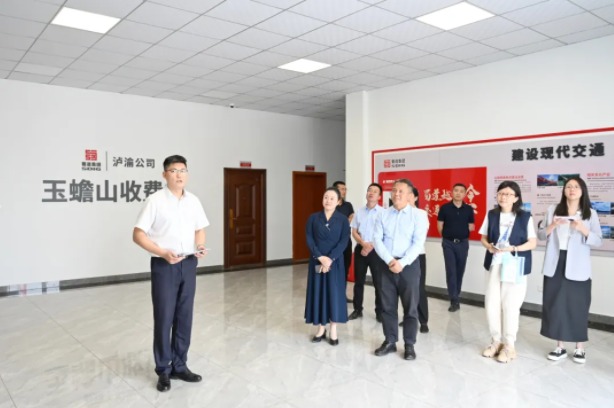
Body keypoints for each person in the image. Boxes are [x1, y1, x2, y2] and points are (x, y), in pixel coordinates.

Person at [133, 155, 209, 392]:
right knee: (164, 317)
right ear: (164, 175)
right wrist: (162, 253)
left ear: (187, 174)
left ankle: (180, 365)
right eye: (174, 170)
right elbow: (138, 234)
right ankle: (163, 370)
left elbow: (200, 229)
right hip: (164, 265)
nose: (179, 175)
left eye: (183, 170)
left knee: (184, 316)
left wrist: (199, 246)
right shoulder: (155, 200)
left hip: (189, 263)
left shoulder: (193, 201)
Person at [538, 177, 602, 364]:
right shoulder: (553, 210)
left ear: (582, 191)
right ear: (564, 190)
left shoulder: (590, 213)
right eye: (568, 186)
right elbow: (541, 235)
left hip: (579, 265)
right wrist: (553, 225)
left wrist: (582, 229)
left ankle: (580, 348)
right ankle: (560, 347)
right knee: (555, 305)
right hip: (555, 263)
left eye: (576, 187)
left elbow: (598, 240)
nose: (572, 189)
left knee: (578, 306)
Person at [479, 181, 536, 363]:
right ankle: (496, 341)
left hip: (514, 265)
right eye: (501, 193)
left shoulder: (525, 217)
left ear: (516, 198)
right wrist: (488, 246)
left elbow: (532, 243)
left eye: (508, 194)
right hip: (494, 264)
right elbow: (484, 237)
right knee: (492, 303)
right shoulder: (492, 214)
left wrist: (514, 248)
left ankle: (509, 345)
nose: (503, 197)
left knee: (511, 305)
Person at [372, 179, 428, 361]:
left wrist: (401, 263)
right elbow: (377, 240)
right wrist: (390, 260)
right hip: (386, 264)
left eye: (401, 191)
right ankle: (390, 341)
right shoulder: (383, 214)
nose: (396, 194)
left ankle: (409, 344)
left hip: (409, 265)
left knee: (410, 307)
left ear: (410, 195)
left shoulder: (418, 215)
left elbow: (418, 243)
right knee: (387, 306)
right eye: (394, 190)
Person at [305, 187, 350, 346]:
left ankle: (333, 329)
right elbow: (309, 239)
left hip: (335, 262)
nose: (328, 200)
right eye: (326, 197)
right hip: (317, 260)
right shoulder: (313, 218)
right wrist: (320, 257)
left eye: (332, 198)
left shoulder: (343, 219)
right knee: (318, 292)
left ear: (338, 202)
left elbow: (344, 241)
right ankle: (321, 328)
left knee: (334, 293)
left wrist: (330, 259)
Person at [349, 183, 385, 322]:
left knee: (378, 283)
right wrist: (363, 243)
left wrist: (370, 246)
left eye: (375, 191)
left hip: (376, 251)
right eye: (370, 190)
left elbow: (384, 234)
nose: (371, 193)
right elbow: (354, 231)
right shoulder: (359, 212)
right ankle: (357, 309)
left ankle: (380, 312)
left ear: (379, 196)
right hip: (360, 250)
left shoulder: (383, 213)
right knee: (358, 281)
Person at [437, 183, 475, 312]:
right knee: (451, 271)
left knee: (460, 270)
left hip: (463, 244)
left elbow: (471, 227)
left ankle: (456, 295)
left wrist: (461, 234)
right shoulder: (445, 208)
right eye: (456, 191)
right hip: (448, 243)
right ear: (452, 193)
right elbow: (439, 226)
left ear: (465, 194)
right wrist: (448, 237)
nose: (458, 193)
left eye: (461, 191)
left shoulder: (469, 209)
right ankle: (454, 300)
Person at [400, 186, 429, 333]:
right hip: (400, 257)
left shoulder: (421, 213)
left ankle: (423, 321)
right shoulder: (398, 213)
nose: (407, 196)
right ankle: (408, 317)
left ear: (416, 197)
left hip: (417, 255)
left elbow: (419, 238)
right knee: (405, 288)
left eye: (410, 194)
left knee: (419, 288)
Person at [333, 181, 355, 303]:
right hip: (333, 243)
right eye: (342, 189)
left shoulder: (348, 205)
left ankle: (342, 295)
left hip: (346, 241)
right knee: (333, 269)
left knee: (345, 268)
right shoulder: (331, 204)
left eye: (345, 189)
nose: (344, 191)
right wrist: (346, 221)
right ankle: (332, 295)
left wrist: (345, 221)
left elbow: (352, 218)